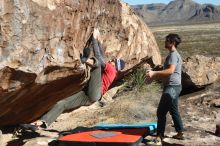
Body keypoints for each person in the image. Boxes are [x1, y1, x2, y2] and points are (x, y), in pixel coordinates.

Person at [21, 29, 125, 130]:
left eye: (114, 60)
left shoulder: (111, 70)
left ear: (115, 65)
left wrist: (94, 39)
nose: (111, 59)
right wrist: (98, 40)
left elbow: (100, 58)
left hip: (95, 93)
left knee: (97, 63)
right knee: (62, 103)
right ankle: (41, 123)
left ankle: (84, 60)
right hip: (90, 96)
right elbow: (103, 56)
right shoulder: (111, 70)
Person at [146, 33, 184, 145]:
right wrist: (153, 77)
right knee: (173, 110)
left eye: (167, 40)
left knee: (161, 112)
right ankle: (180, 132)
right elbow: (166, 73)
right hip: (174, 86)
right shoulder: (173, 55)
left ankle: (158, 138)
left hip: (172, 87)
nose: (165, 42)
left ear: (172, 43)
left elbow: (170, 71)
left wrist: (154, 72)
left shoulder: (173, 55)